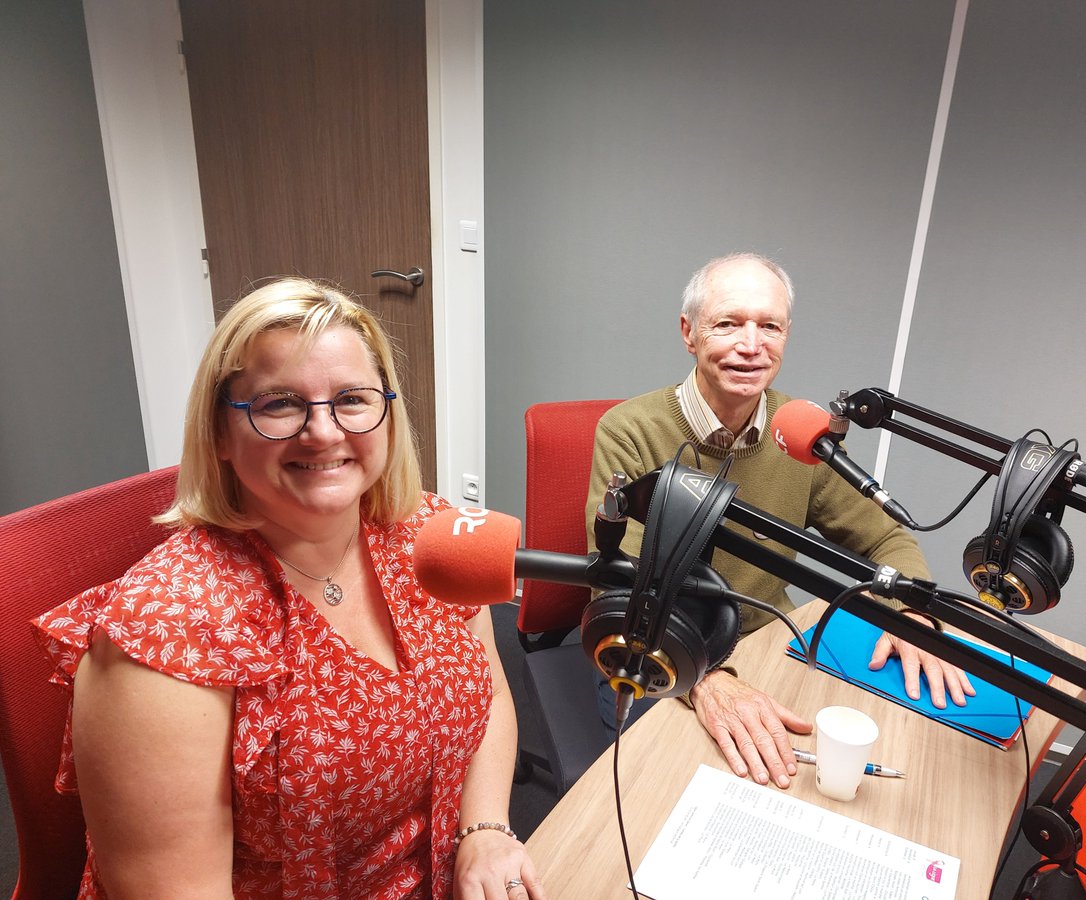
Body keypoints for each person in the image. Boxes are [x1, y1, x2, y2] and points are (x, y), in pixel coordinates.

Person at [33, 278, 544, 900]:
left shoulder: (430, 534)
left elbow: (489, 690)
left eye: (351, 399)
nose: (323, 432)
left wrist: (484, 829)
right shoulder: (166, 632)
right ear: (221, 434)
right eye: (279, 404)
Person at [585, 251, 974, 791]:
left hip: (769, 645)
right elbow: (619, 585)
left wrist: (909, 611)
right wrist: (707, 681)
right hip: (656, 650)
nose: (751, 345)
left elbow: (885, 537)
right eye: (728, 323)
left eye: (769, 326)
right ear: (689, 333)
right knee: (676, 797)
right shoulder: (628, 431)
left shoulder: (802, 436)